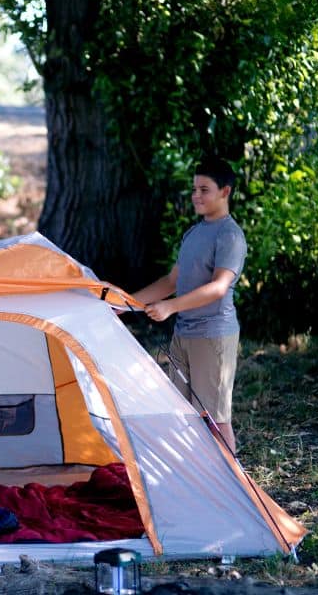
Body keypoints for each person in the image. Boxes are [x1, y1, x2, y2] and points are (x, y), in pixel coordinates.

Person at [132, 157, 247, 453]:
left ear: (225, 192)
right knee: (183, 415)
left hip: (213, 336)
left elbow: (219, 287)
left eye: (204, 189)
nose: (196, 195)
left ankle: (233, 492)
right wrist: (125, 303)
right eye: (194, 188)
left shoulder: (230, 235)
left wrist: (170, 308)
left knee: (214, 419)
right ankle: (195, 485)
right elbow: (171, 281)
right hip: (184, 335)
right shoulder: (194, 233)